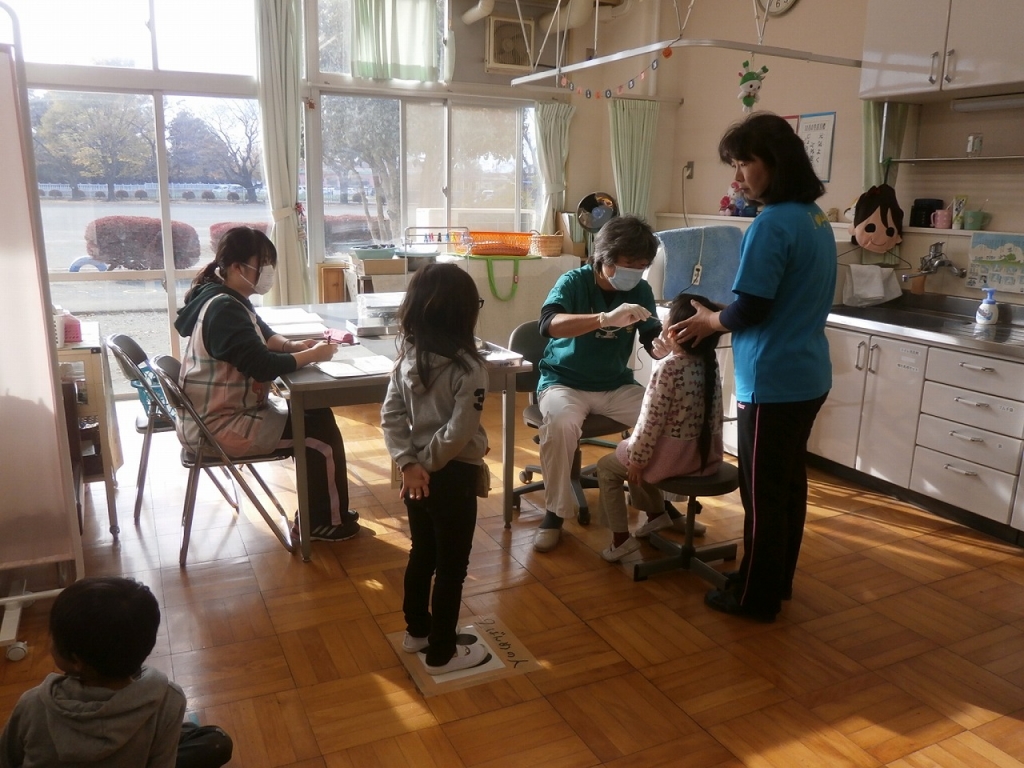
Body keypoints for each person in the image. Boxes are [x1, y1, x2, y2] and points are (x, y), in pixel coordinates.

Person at [673, 112, 836, 622]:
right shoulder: (813, 217)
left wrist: (708, 322)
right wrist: (723, 313)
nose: (738, 176)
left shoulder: (772, 224)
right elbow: (772, 299)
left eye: (745, 163)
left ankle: (754, 598)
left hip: (772, 382)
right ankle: (774, 580)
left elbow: (753, 309)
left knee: (763, 495)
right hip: (808, 374)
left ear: (776, 163)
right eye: (736, 165)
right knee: (788, 488)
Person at [175, 226, 360, 542]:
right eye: (262, 264)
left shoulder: (224, 296)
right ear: (237, 267)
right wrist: (313, 355)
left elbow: (262, 332)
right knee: (319, 434)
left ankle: (321, 513)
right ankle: (325, 521)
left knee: (316, 414)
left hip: (214, 416)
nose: (268, 271)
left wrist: (292, 347)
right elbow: (263, 366)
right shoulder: (224, 309)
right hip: (220, 426)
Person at [533, 215, 696, 553]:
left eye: (641, 266)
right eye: (627, 264)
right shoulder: (574, 282)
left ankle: (661, 505)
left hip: (614, 384)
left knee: (667, 419)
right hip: (564, 382)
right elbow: (548, 324)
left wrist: (660, 347)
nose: (634, 272)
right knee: (561, 424)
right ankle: (555, 513)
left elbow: (650, 336)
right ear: (604, 257)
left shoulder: (641, 290)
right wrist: (604, 319)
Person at [381, 263, 493, 675]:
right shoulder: (469, 368)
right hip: (453, 475)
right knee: (451, 568)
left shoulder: (406, 359)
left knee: (422, 554)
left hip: (418, 479)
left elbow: (390, 418)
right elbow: (459, 431)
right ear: (463, 313)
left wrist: (410, 466)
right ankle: (442, 653)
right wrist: (426, 466)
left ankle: (417, 632)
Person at [0, 577, 232, 768]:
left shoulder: (33, 704)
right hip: (148, 734)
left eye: (52, 635)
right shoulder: (168, 701)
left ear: (76, 660)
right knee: (216, 741)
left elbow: (6, 759)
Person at [596, 293, 725, 562]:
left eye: (665, 323)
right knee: (633, 454)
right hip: (704, 457)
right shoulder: (709, 361)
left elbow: (650, 423)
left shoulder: (669, 369)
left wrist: (637, 461)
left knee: (610, 466)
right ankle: (656, 514)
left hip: (675, 460)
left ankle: (620, 540)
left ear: (674, 332)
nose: (662, 327)